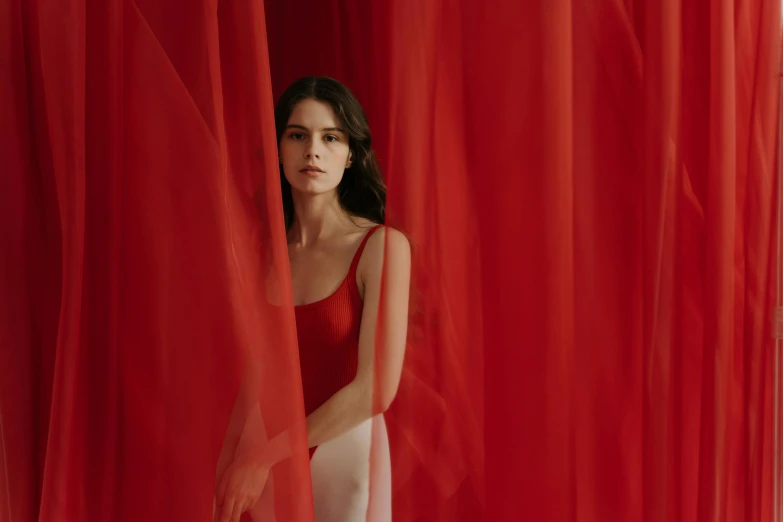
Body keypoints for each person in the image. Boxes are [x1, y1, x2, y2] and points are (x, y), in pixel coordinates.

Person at [215, 76, 411, 522]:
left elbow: (375, 389)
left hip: (341, 449)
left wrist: (262, 458)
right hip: (260, 450)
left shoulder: (381, 247)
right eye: (298, 134)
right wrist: (227, 469)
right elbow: (253, 378)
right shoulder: (263, 253)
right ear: (279, 147)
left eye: (331, 137)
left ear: (350, 154)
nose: (313, 151)